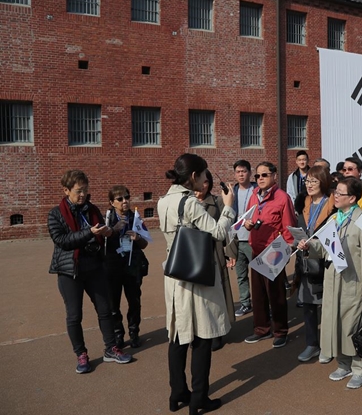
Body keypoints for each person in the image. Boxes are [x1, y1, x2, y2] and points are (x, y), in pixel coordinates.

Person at [158, 154, 235, 414]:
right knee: (202, 337)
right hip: (197, 276)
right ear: (193, 177)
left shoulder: (162, 201)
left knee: (178, 335)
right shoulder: (190, 203)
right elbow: (220, 233)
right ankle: (199, 397)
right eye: (203, 175)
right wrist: (229, 207)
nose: (205, 181)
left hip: (174, 274)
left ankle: (177, 392)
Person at [298, 176, 362, 390]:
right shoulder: (335, 218)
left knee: (356, 325)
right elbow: (325, 248)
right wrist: (309, 247)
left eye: (340, 193)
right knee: (337, 323)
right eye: (336, 192)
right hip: (334, 280)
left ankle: (361, 367)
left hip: (355, 282)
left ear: (352, 198)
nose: (335, 196)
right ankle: (344, 363)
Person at [48, 170, 132, 374]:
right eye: (78, 191)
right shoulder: (55, 214)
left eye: (85, 190)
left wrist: (110, 231)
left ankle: (111, 348)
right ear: (66, 190)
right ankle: (81, 354)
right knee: (74, 316)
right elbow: (62, 241)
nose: (83, 195)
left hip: (95, 267)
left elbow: (102, 233)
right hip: (70, 270)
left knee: (105, 310)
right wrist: (89, 233)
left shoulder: (92, 209)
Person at [243, 162, 296, 348]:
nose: (260, 179)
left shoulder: (283, 198)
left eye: (264, 175)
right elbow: (247, 218)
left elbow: (289, 227)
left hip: (274, 251)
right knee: (258, 294)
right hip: (256, 249)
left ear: (274, 176)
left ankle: (281, 331)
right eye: (257, 176)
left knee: (276, 295)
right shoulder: (253, 195)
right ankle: (261, 329)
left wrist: (286, 251)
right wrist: (247, 224)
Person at [291, 166, 336, 362]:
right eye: (307, 181)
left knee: (328, 308)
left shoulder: (333, 205)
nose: (308, 185)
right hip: (306, 263)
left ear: (323, 182)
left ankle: (328, 346)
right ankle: (312, 344)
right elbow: (301, 229)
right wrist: (297, 240)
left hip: (325, 263)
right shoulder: (304, 204)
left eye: (313, 181)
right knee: (308, 305)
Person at [104, 185, 149, 349]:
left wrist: (137, 238)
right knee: (113, 304)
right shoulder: (108, 219)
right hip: (113, 266)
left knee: (134, 301)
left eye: (127, 197)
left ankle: (134, 332)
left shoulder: (135, 218)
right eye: (120, 199)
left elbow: (144, 244)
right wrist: (112, 231)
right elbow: (102, 243)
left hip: (132, 265)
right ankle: (118, 335)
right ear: (112, 202)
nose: (125, 201)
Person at [195, 170, 236, 352]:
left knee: (218, 293)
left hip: (214, 251)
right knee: (198, 296)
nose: (202, 187)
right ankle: (199, 331)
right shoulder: (189, 203)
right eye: (199, 182)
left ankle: (218, 332)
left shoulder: (218, 202)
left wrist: (231, 252)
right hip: (195, 254)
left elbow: (228, 229)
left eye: (206, 183)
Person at [228, 160, 256, 317]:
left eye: (244, 171)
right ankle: (245, 303)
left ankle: (263, 304)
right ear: (234, 174)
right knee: (241, 275)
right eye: (238, 172)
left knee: (260, 274)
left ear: (249, 173)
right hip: (238, 240)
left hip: (253, 239)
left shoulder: (256, 190)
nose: (241, 174)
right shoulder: (232, 192)